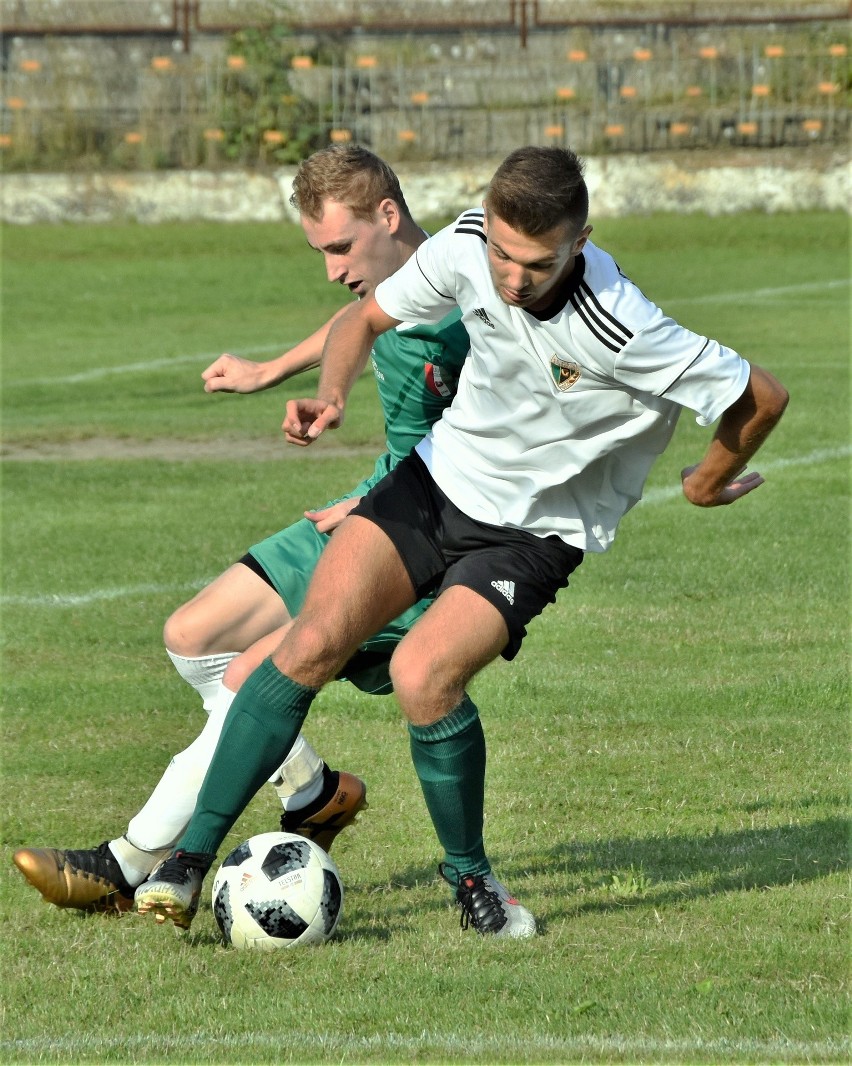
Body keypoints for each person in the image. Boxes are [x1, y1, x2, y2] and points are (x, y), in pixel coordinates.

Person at [133, 144, 788, 940]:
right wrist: (332, 393)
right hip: (433, 486)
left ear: (581, 241)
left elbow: (758, 394)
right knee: (308, 643)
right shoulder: (465, 246)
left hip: (532, 535)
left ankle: (471, 878)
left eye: (538, 264)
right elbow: (368, 315)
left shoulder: (621, 324)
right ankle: (188, 861)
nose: (513, 278)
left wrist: (704, 481)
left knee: (423, 676)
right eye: (504, 255)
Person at [12, 145, 471, 913]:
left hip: (432, 534)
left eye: (338, 247)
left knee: (250, 677)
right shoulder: (403, 276)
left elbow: (494, 445)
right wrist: (271, 373)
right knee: (194, 634)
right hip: (376, 501)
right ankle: (315, 791)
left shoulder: (474, 309)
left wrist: (384, 508)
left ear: (388, 217)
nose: (330, 268)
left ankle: (128, 861)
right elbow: (357, 317)